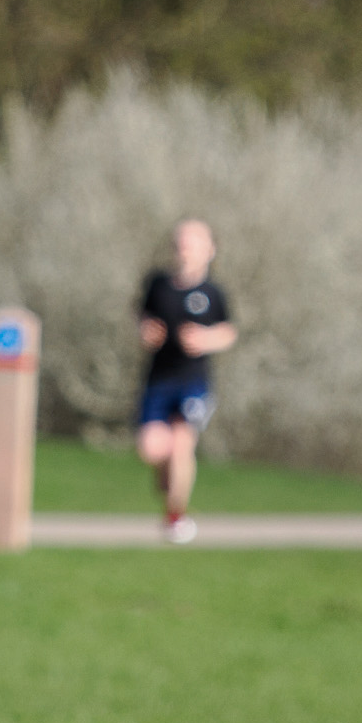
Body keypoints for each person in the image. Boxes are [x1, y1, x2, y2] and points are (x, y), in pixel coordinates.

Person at [135, 218, 238, 543]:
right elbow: (142, 317)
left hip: (193, 381)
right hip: (158, 380)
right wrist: (146, 331)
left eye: (192, 243)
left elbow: (228, 332)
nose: (185, 249)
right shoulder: (158, 284)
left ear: (209, 250)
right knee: (152, 449)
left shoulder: (213, 293)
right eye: (180, 243)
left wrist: (206, 339)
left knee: (182, 442)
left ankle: (176, 516)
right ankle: (169, 486)